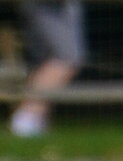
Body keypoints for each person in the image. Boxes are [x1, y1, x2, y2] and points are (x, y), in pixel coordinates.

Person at [10, 1, 84, 137]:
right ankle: (26, 119)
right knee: (66, 58)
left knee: (45, 61)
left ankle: (35, 121)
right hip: (49, 5)